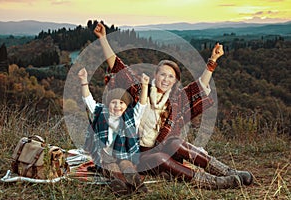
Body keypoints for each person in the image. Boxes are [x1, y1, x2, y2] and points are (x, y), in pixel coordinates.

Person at [93, 22, 253, 189]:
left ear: (175, 81)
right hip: (135, 155)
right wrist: (103, 39)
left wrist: (212, 62)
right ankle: (212, 182)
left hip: (159, 147)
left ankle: (227, 171)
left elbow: (197, 89)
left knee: (175, 143)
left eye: (171, 77)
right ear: (156, 74)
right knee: (159, 159)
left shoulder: (175, 99)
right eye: (163, 74)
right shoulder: (140, 89)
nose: (166, 80)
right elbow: (118, 67)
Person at [78, 67, 150, 195]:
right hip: (106, 157)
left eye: (121, 102)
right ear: (108, 104)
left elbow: (142, 105)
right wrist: (84, 81)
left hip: (124, 154)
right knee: (111, 168)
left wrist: (145, 86)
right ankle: (123, 188)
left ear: (126, 105)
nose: (117, 106)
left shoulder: (131, 117)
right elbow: (88, 100)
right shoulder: (101, 113)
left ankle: (138, 185)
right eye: (114, 102)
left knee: (127, 167)